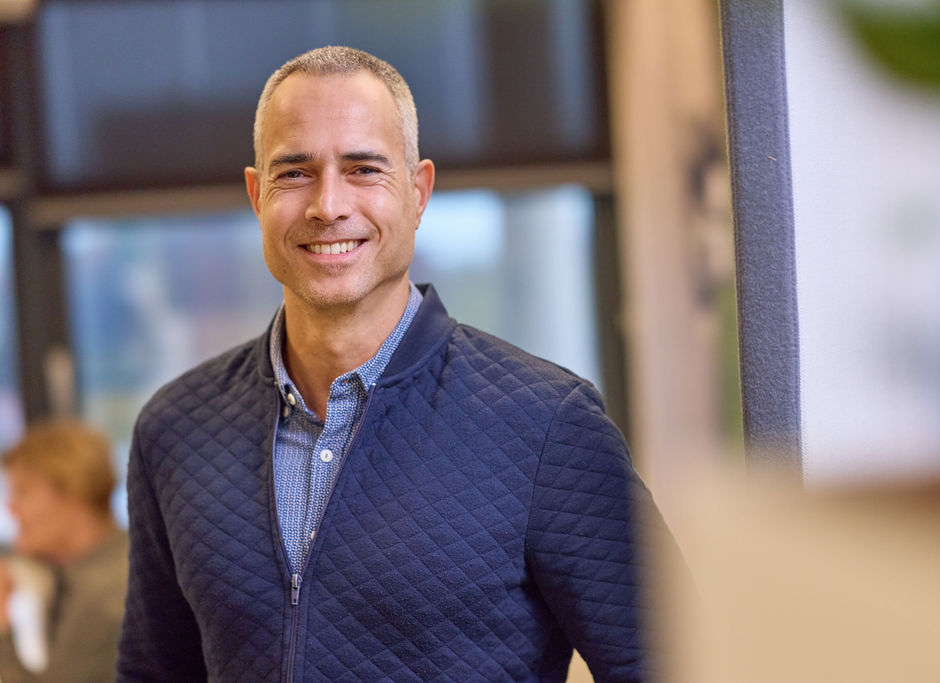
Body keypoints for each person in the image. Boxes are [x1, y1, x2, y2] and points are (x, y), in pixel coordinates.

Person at [118, 45, 667, 682]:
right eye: (294, 172)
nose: (327, 204)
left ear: (418, 190)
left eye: (363, 169)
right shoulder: (176, 430)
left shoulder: (547, 425)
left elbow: (677, 665)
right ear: (255, 194)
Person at [0, 419, 128, 683]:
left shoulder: (105, 594)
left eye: (22, 491)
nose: (10, 507)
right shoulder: (110, 566)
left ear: (73, 489)